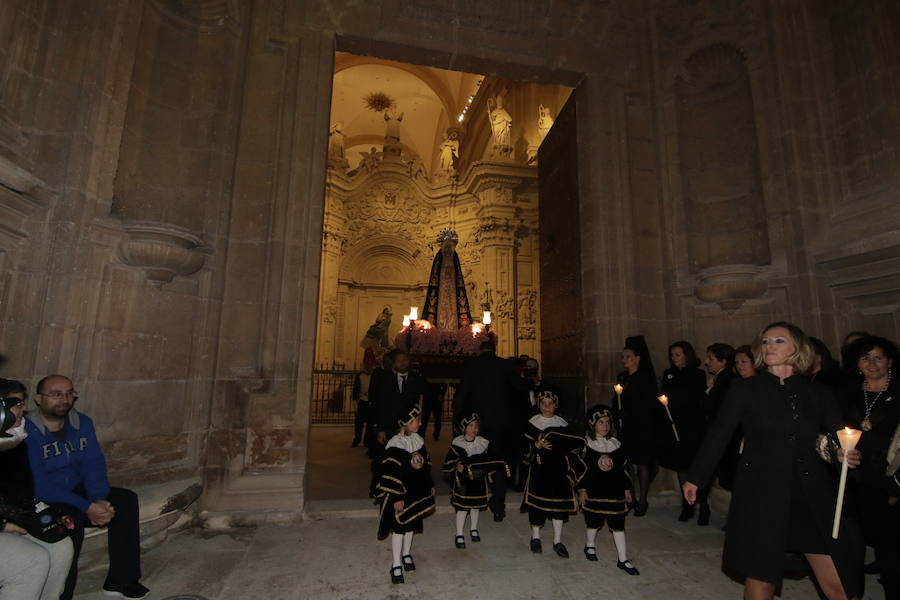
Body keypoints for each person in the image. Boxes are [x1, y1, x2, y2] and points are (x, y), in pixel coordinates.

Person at [684, 322, 863, 600]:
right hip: (762, 493)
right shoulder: (746, 389)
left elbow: (837, 438)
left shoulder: (818, 393)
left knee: (839, 584)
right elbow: (719, 434)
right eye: (766, 341)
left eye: (779, 341)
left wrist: (842, 454)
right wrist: (696, 476)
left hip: (808, 494)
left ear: (798, 348)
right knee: (762, 579)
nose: (770, 347)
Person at [24, 375, 149, 600]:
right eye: (56, 394)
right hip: (39, 498)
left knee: (125, 500)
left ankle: (122, 580)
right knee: (73, 517)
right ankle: (64, 594)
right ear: (38, 399)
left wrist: (100, 500)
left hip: (74, 490)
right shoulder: (26, 431)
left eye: (69, 393)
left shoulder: (81, 423)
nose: (64, 399)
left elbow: (93, 465)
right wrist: (86, 506)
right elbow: (38, 485)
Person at [0, 379, 74, 600]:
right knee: (31, 560)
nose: (24, 409)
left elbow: (21, 494)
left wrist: (37, 515)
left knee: (60, 544)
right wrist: (4, 525)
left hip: (12, 518)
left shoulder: (15, 443)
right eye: (17, 403)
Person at [840, 335, 900, 599]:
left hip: (893, 478)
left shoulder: (898, 392)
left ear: (889, 361)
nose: (872, 364)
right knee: (867, 538)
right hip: (859, 476)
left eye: (878, 357)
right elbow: (835, 429)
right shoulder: (849, 393)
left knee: (893, 544)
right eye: (865, 358)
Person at [456, 341, 531, 521]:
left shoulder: (471, 365)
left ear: (480, 350)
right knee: (498, 463)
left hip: (476, 423)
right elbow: (519, 385)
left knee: (473, 460)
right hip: (499, 423)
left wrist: (459, 419)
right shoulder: (505, 364)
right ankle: (498, 507)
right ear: (494, 349)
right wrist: (533, 382)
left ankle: (469, 502)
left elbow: (463, 393)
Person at [375, 406, 435, 585]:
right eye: (416, 420)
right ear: (405, 424)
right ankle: (396, 564)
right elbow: (391, 475)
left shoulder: (418, 440)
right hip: (401, 494)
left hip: (416, 492)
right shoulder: (396, 445)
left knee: (411, 524)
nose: (420, 423)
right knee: (400, 529)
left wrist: (430, 485)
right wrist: (397, 497)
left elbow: (425, 467)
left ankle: (407, 554)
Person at [521, 391, 585, 558]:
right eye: (544, 403)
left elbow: (569, 445)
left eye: (551, 403)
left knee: (558, 505)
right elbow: (524, 448)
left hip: (558, 469)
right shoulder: (532, 424)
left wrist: (573, 449)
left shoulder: (562, 424)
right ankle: (535, 537)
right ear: (539, 405)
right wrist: (537, 445)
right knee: (537, 505)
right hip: (540, 469)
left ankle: (557, 541)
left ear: (556, 405)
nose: (547, 407)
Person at [577, 405, 638, 575]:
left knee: (618, 524)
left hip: (615, 491)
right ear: (592, 424)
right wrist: (582, 489)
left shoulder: (615, 445)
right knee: (593, 522)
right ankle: (590, 545)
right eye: (601, 422)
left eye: (607, 423)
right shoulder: (586, 445)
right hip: (594, 490)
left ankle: (623, 559)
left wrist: (627, 489)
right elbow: (581, 469)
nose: (605, 426)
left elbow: (623, 469)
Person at [660, 341, 710, 524]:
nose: (674, 358)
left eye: (678, 354)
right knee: (681, 466)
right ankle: (686, 505)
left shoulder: (697, 374)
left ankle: (703, 505)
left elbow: (695, 397)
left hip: (692, 426)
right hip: (675, 425)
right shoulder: (669, 374)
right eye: (672, 355)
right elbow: (666, 393)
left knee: (695, 467)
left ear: (687, 355)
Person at [441, 413, 507, 549]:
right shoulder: (457, 444)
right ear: (464, 428)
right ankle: (459, 533)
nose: (474, 429)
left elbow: (489, 459)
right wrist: (456, 466)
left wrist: (491, 469)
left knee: (476, 506)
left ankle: (473, 528)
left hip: (478, 480)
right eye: (470, 426)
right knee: (463, 508)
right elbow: (448, 463)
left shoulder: (482, 443)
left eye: (476, 426)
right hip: (464, 482)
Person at [616, 336, 659, 516]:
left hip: (641, 425)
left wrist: (631, 412)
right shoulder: (623, 377)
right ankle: (630, 498)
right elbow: (618, 399)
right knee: (627, 463)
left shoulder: (645, 378)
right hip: (627, 426)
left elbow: (647, 402)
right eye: (623, 357)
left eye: (628, 356)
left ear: (637, 358)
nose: (625, 360)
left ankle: (642, 501)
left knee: (642, 462)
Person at [704, 342, 740, 492]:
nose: (706, 362)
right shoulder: (720, 378)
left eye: (711, 359)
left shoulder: (727, 379)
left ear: (723, 361)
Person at [351, 354, 376, 448]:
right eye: (367, 364)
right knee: (359, 423)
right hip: (362, 401)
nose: (369, 366)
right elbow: (355, 390)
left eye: (371, 364)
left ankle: (367, 441)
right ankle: (357, 439)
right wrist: (354, 404)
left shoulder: (375, 375)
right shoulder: (360, 375)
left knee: (370, 424)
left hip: (371, 402)